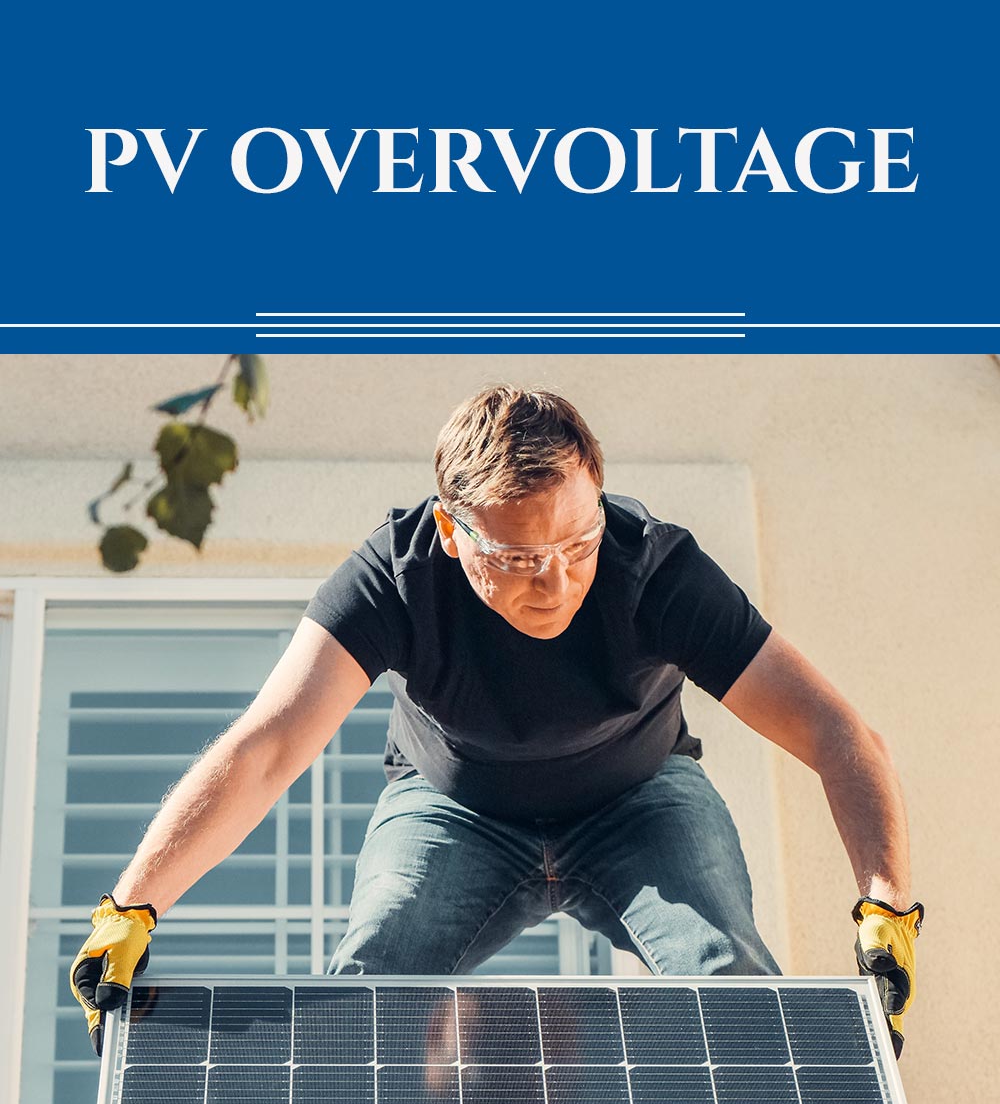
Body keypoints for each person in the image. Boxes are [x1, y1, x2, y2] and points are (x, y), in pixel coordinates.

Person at [70, 386, 922, 1057]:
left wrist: (886, 908)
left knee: (730, 978)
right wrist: (132, 909)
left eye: (578, 546)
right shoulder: (398, 576)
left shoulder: (659, 569)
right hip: (452, 810)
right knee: (369, 993)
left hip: (641, 803)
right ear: (451, 529)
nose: (554, 583)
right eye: (517, 558)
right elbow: (266, 750)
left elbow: (835, 732)